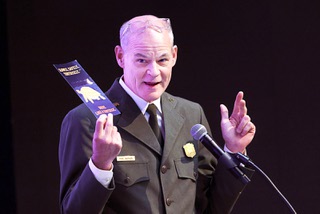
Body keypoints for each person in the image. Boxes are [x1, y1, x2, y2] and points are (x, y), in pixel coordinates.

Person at [58, 15, 256, 214]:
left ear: (174, 55)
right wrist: (100, 165)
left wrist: (234, 150)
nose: (153, 72)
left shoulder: (191, 114)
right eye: (142, 60)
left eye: (162, 60)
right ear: (120, 57)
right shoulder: (86, 120)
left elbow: (211, 207)